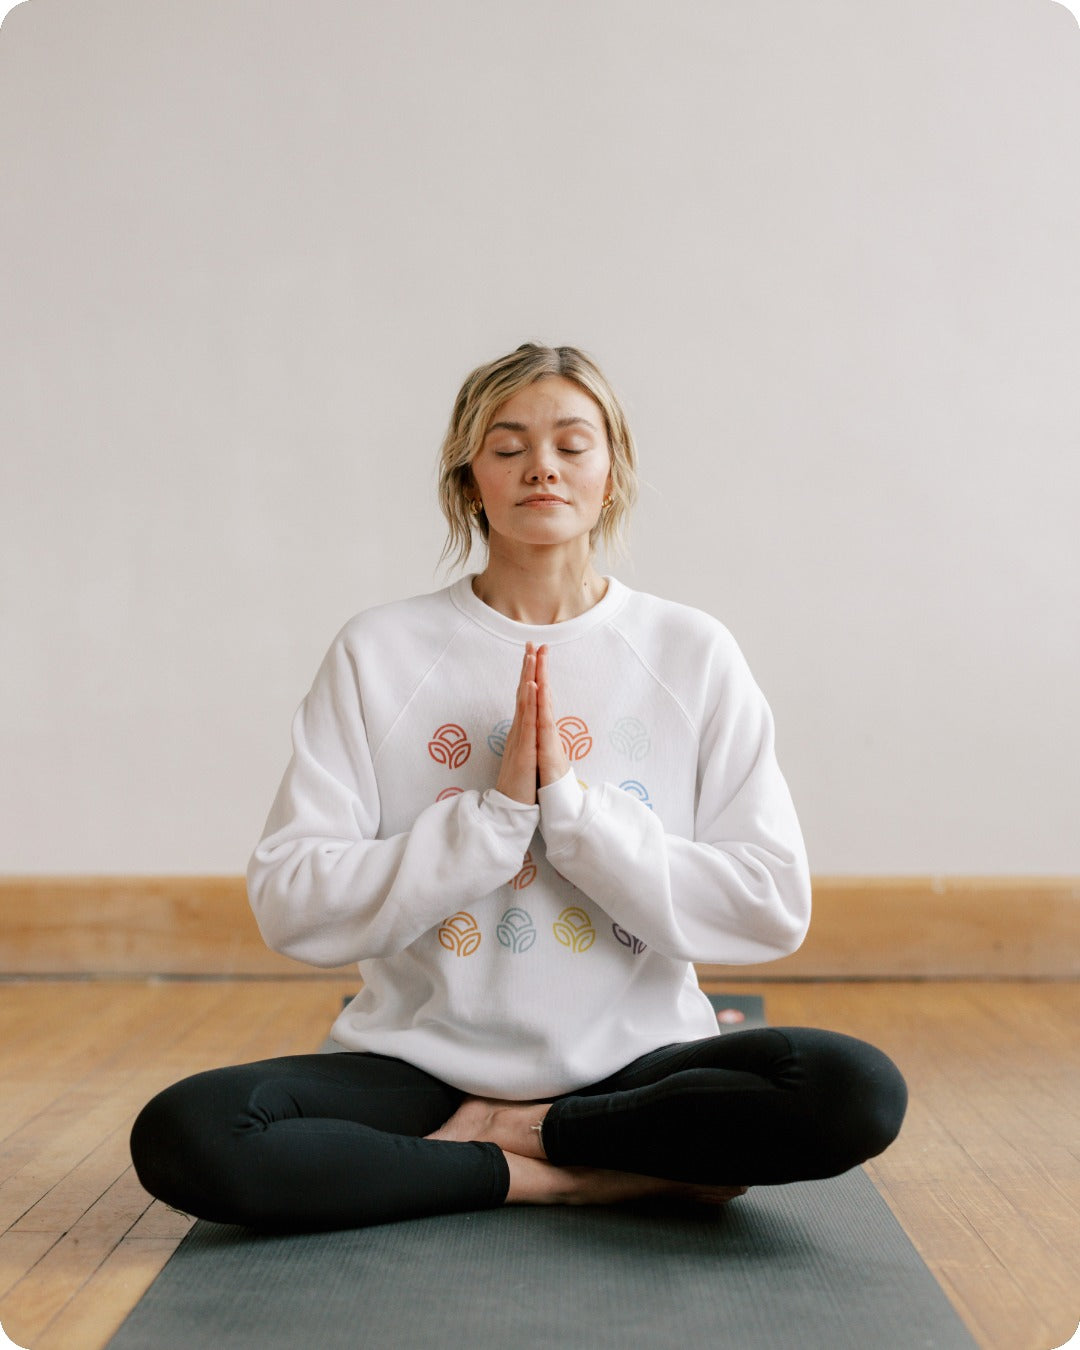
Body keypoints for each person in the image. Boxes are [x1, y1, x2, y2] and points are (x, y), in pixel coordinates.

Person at [130, 342, 906, 1232]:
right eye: (508, 446)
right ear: (470, 481)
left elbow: (771, 906)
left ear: (611, 473)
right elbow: (290, 900)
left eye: (573, 444)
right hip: (420, 1068)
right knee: (188, 1133)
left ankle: (525, 1134)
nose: (542, 465)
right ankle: (565, 1175)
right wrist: (492, 822)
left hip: (637, 1066)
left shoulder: (692, 652)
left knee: (855, 1090)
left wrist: (573, 816)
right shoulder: (379, 652)